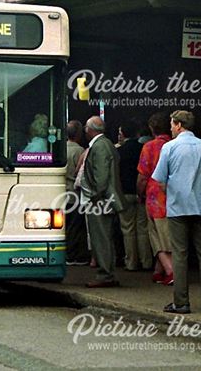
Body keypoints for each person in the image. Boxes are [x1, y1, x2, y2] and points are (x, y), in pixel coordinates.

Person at [155, 110, 201, 314]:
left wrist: (172, 190)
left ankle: (181, 302)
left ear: (179, 125)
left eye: (172, 125)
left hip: (178, 206)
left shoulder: (169, 148)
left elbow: (160, 179)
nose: (171, 128)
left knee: (180, 254)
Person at [79, 116, 123, 288]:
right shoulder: (106, 144)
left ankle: (105, 274)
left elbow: (101, 177)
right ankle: (107, 272)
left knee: (101, 237)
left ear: (90, 130)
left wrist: (95, 196)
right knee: (106, 237)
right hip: (105, 198)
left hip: (100, 200)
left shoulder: (99, 146)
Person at [138, 112, 173, 286]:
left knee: (156, 237)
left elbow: (143, 176)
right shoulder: (174, 145)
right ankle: (159, 271)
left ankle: (170, 270)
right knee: (169, 235)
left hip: (154, 197)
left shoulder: (149, 147)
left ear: (152, 129)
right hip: (173, 196)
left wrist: (140, 193)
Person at [117, 120, 152, 271]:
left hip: (125, 193)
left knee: (128, 229)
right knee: (143, 228)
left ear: (123, 134)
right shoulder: (142, 149)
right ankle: (146, 262)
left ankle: (131, 262)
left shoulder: (119, 151)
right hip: (141, 193)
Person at [63, 119, 90, 265]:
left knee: (65, 225)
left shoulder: (61, 149)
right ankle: (73, 254)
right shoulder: (80, 151)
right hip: (75, 193)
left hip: (62, 192)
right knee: (75, 226)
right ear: (79, 134)